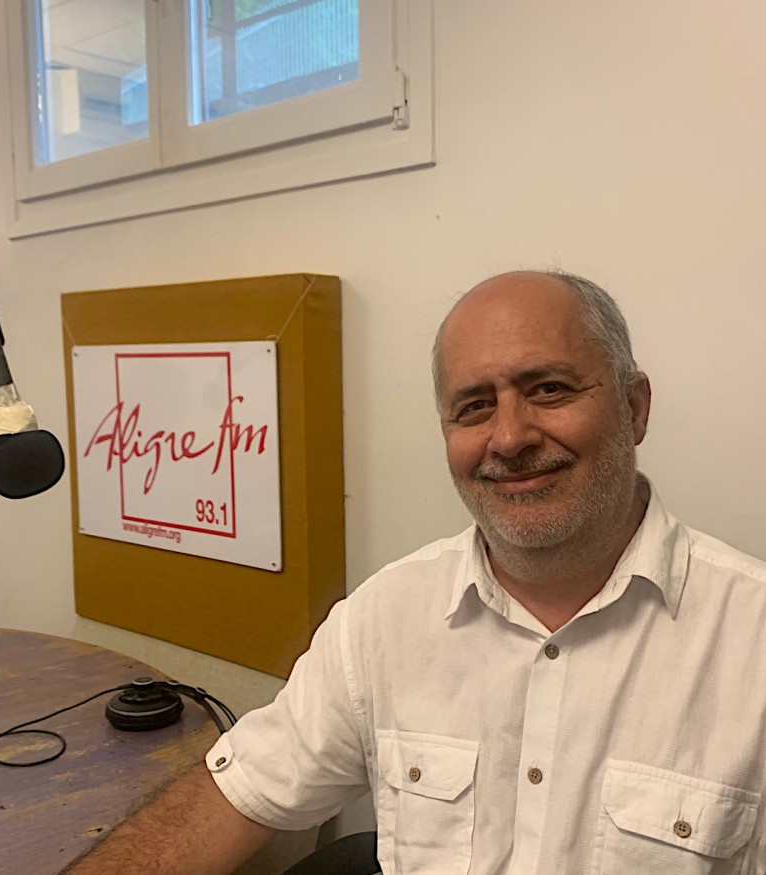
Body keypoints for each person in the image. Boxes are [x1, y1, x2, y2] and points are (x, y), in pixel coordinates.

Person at [70, 271, 766, 874]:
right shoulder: (383, 621)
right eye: (474, 406)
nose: (509, 436)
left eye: (549, 389)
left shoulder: (750, 637)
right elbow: (231, 801)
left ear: (634, 408)